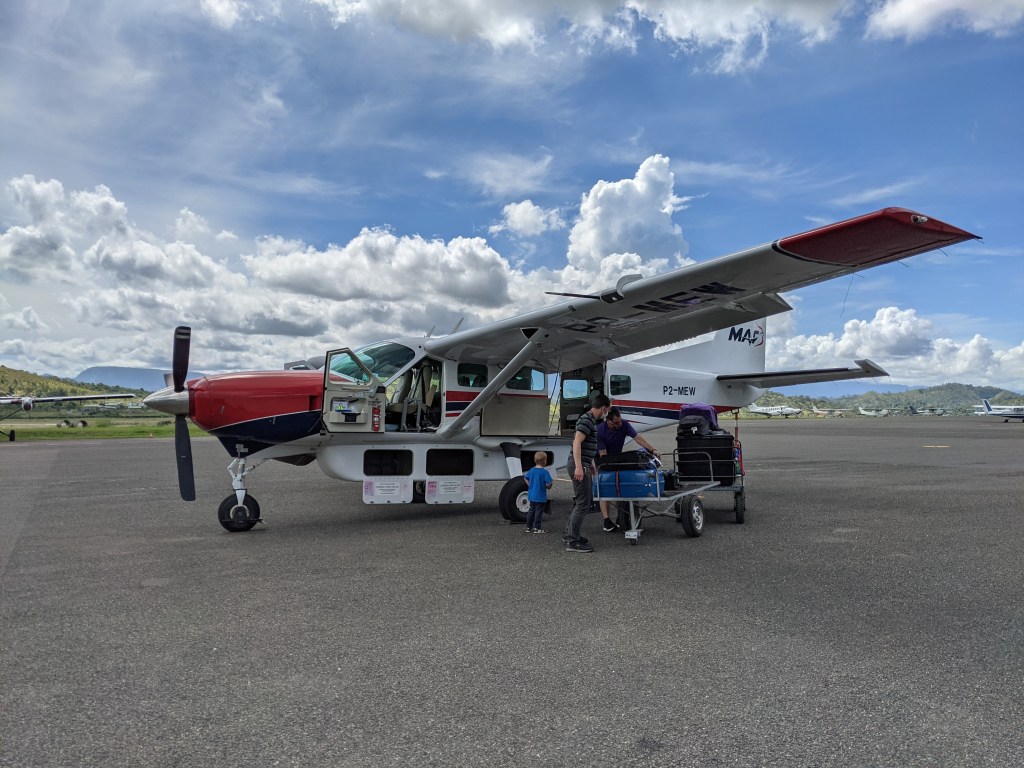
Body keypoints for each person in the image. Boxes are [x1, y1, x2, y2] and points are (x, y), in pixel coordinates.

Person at [596, 406, 660, 532]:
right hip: (603, 459)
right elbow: (603, 455)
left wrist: (652, 449)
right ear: (608, 421)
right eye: (616, 423)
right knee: (605, 487)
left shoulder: (624, 425)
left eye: (620, 421)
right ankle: (606, 520)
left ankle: (621, 516)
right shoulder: (600, 431)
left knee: (619, 485)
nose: (619, 424)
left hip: (617, 458)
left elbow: (637, 438)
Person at [563, 393, 611, 553]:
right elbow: (577, 442)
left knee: (581, 502)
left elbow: (586, 446)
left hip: (584, 464)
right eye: (607, 410)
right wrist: (579, 467)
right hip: (579, 466)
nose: (607, 413)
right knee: (583, 504)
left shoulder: (590, 420)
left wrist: (591, 464)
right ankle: (572, 540)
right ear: (603, 408)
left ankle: (569, 534)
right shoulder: (586, 420)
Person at [522, 451, 553, 534]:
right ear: (545, 461)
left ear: (535, 460)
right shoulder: (545, 472)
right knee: (538, 512)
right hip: (540, 496)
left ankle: (529, 527)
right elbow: (549, 484)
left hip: (531, 495)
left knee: (531, 511)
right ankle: (537, 528)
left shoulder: (532, 470)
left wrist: (530, 485)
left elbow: (525, 478)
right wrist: (548, 486)